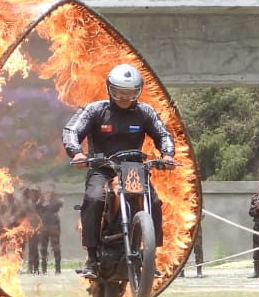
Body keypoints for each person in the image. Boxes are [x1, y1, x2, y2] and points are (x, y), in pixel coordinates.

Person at [61, 63, 174, 276]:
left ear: (137, 92)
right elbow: (71, 131)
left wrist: (167, 154)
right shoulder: (95, 110)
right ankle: (92, 257)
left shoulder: (145, 112)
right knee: (94, 199)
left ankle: (151, 257)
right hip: (102, 168)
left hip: (133, 169)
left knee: (155, 201)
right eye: (119, 92)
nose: (124, 97)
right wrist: (76, 152)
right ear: (110, 90)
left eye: (130, 93)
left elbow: (163, 134)